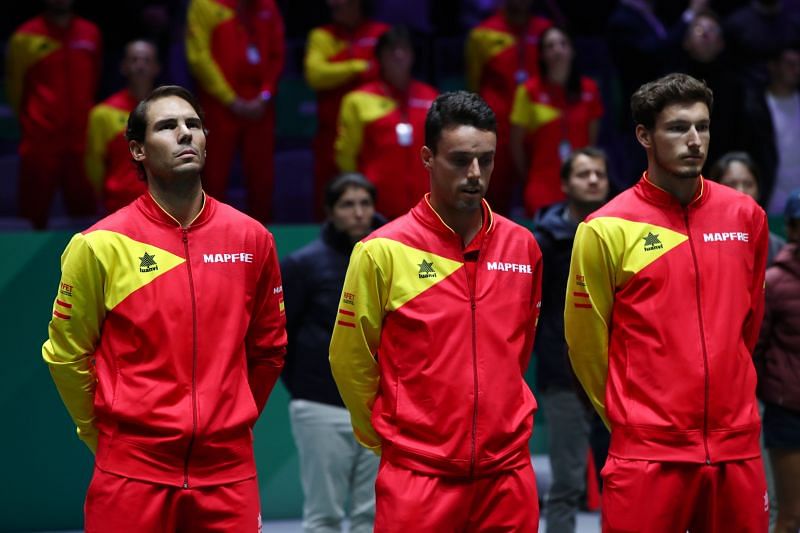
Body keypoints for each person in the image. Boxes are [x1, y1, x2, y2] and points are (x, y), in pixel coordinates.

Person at [41, 85, 287, 531]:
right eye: (167, 126)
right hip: (131, 474)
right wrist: (103, 435)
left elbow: (268, 349)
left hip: (228, 475)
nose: (185, 134)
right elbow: (66, 354)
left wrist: (226, 417)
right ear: (137, 150)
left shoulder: (252, 239)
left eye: (194, 124)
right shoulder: (99, 246)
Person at [330, 91, 543, 532]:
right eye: (460, 160)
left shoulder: (522, 246)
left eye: (486, 160)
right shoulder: (381, 251)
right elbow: (350, 360)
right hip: (418, 476)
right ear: (427, 158)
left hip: (506, 475)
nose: (475, 174)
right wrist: (393, 438)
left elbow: (518, 349)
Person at [565, 73, 770, 532]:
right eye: (678, 128)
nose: (695, 140)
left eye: (703, 126)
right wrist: (631, 417)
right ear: (644, 135)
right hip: (647, 454)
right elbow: (585, 343)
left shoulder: (745, 216)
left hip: (735, 446)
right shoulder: (606, 227)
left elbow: (748, 322)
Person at [281, 173, 383, 533]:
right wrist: (306, 391)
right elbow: (282, 336)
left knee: (370, 518)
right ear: (330, 212)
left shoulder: (388, 259)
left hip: (378, 408)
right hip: (320, 407)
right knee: (323, 516)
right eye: (347, 205)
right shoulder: (302, 265)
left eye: (365, 204)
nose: (358, 213)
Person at [532, 147, 609, 533]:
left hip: (617, 377)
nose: (593, 180)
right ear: (565, 185)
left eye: (599, 173)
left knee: (621, 482)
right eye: (583, 174)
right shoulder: (544, 242)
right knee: (566, 484)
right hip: (564, 379)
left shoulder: (621, 233)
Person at [185, 0, 285, 223]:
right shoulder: (205, 5)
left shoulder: (267, 7)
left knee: (262, 179)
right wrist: (230, 99)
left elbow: (277, 55)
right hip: (219, 105)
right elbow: (199, 57)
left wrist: (266, 94)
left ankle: (262, 236)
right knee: (213, 176)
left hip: (260, 105)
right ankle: (208, 233)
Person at [6, 0, 101, 229]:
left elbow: (95, 80)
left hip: (81, 141)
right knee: (32, 215)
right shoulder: (24, 37)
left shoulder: (90, 33)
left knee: (86, 217)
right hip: (40, 141)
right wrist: (35, 123)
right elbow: (15, 90)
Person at [335, 26, 437, 220]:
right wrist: (359, 195)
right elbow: (346, 156)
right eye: (391, 50)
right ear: (380, 57)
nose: (399, 55)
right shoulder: (358, 100)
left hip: (425, 204)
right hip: (377, 205)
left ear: (413, 55)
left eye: (404, 49)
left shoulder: (430, 97)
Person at [465, 0, 552, 215]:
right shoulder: (482, 34)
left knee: (541, 190)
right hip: (497, 128)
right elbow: (474, 83)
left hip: (536, 126)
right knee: (493, 195)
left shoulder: (545, 30)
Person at [304, 0, 389, 219]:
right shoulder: (322, 36)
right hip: (330, 133)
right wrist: (358, 67)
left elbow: (388, 73)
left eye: (339, 3)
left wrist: (338, 71)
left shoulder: (381, 33)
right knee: (328, 193)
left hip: (371, 135)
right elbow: (315, 75)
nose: (333, 5)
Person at [509, 26, 603, 218]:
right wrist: (528, 177)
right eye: (550, 46)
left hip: (582, 185)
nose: (557, 50)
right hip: (541, 186)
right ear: (542, 55)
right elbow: (515, 145)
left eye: (562, 44)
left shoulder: (589, 89)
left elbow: (591, 142)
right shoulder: (528, 92)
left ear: (572, 50)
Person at [755, 189, 800, 533]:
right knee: (788, 514)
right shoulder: (775, 281)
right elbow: (757, 346)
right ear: (792, 230)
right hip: (788, 412)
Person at [86, 39, 161, 214]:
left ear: (157, 68)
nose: (140, 66)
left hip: (163, 205)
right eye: (134, 60)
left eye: (147, 60)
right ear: (124, 66)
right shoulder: (103, 113)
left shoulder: (170, 110)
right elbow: (94, 166)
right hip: (118, 206)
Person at [738, 46, 800, 214]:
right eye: (790, 64)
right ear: (773, 66)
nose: (796, 69)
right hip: (770, 197)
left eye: (798, 64)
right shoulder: (755, 106)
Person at [708, 151, 786, 265]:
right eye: (731, 184)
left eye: (748, 184)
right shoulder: (701, 243)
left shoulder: (778, 249)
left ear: (758, 191)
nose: (741, 192)